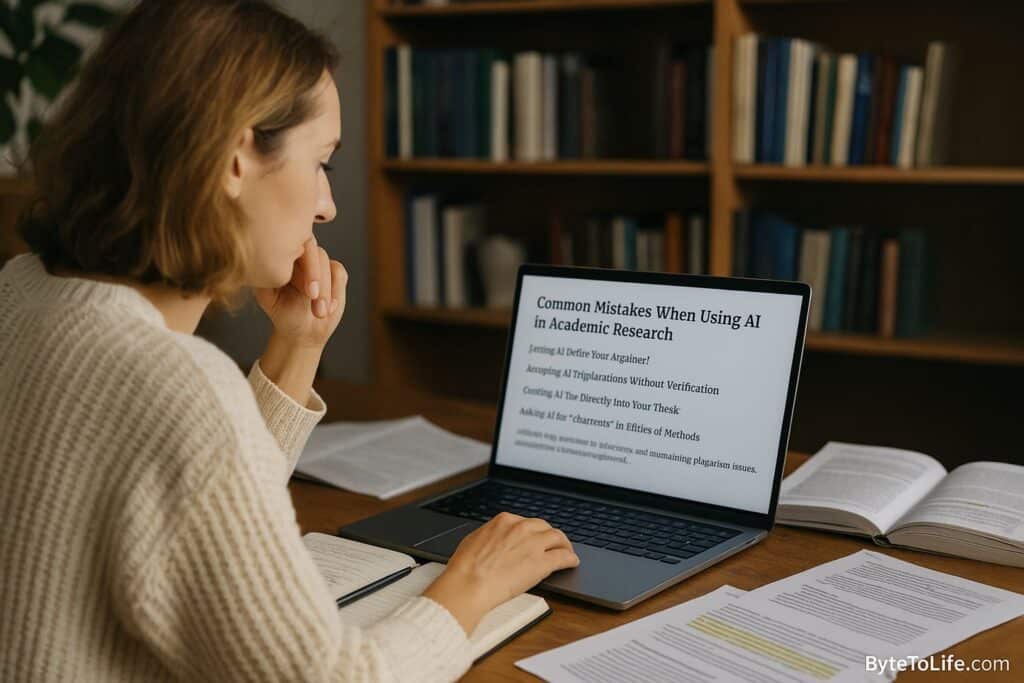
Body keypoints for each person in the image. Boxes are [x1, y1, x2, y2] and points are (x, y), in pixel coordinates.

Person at [0, 1, 578, 681]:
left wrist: (299, 344)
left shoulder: (22, 291)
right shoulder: (180, 385)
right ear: (237, 158)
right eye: (321, 160)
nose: (328, 204)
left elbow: (192, 513)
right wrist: (472, 583)